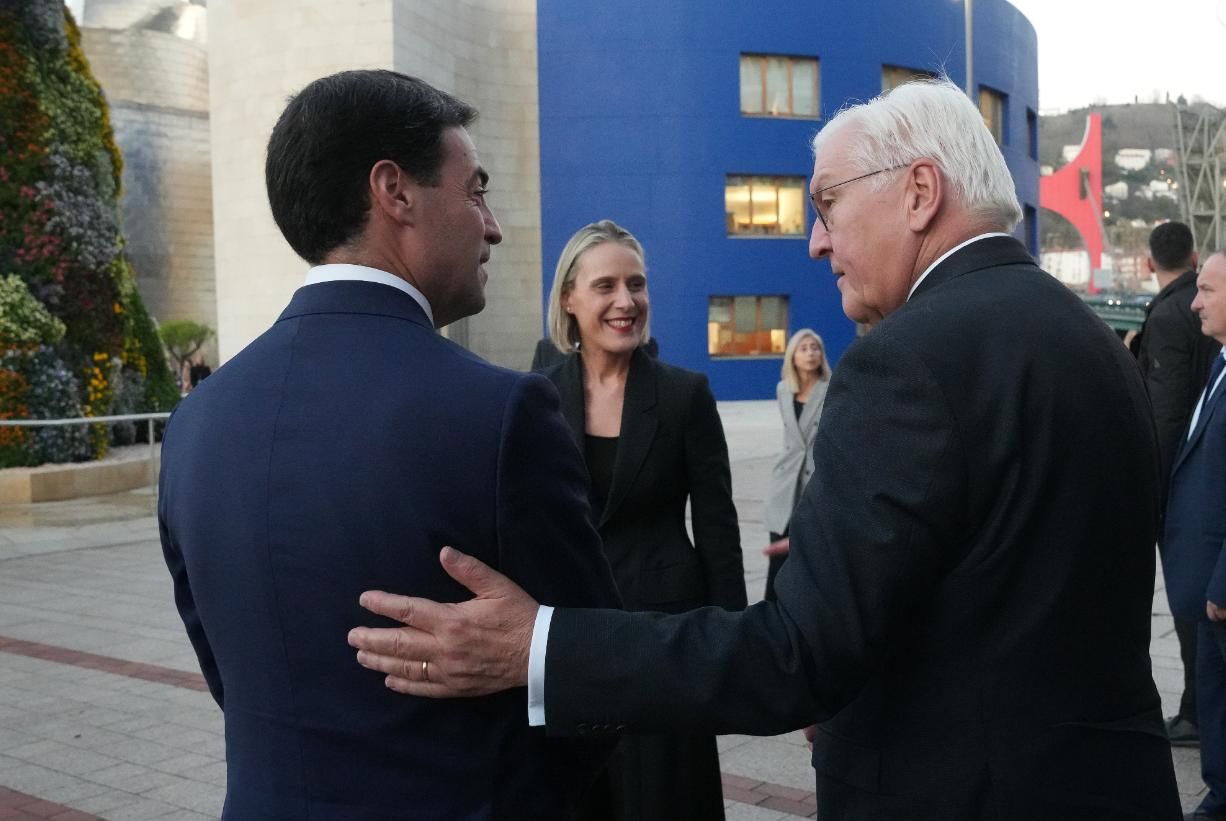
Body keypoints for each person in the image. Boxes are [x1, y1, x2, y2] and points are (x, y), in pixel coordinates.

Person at [348, 78, 1182, 820]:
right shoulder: (1094, 340)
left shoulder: (907, 360)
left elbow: (796, 656)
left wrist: (539, 645)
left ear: (921, 191)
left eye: (827, 204)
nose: (816, 243)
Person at [158, 70, 619, 820]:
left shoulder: (196, 421)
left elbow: (228, 675)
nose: (493, 224)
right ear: (394, 192)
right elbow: (593, 681)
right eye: (475, 189)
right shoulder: (501, 411)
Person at [540, 219, 745, 821]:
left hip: (668, 645)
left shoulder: (686, 395)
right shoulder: (537, 399)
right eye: (605, 286)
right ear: (570, 300)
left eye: (636, 284)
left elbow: (718, 531)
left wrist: (731, 650)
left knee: (666, 802)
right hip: (573, 645)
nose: (625, 301)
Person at [1131, 221, 1223, 747]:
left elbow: (1165, 416)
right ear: (1190, 257)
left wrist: (1155, 493)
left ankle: (1195, 712)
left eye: (1210, 291)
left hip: (1187, 486)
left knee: (1193, 606)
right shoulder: (1190, 314)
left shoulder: (1168, 313)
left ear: (1149, 263)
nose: (1199, 302)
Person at [1161, 251, 1226, 821]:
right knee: (1214, 699)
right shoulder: (1219, 363)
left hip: (1219, 590)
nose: (1195, 301)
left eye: (1205, 289)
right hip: (1204, 586)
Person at [762, 329, 829, 602]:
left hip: (815, 484)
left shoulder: (832, 388)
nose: (811, 353)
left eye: (815, 347)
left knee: (810, 559)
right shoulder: (783, 390)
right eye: (804, 348)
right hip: (784, 486)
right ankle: (769, 616)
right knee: (777, 562)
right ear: (792, 356)